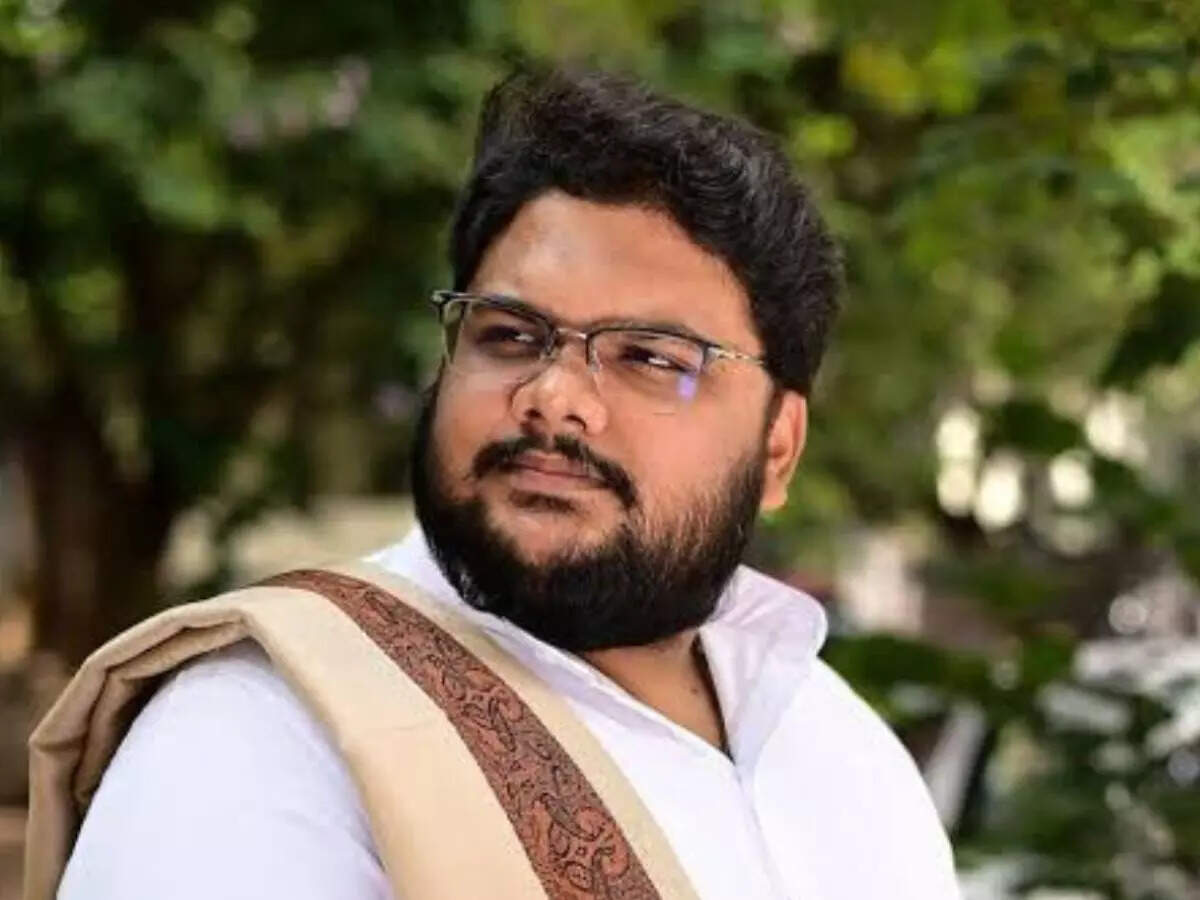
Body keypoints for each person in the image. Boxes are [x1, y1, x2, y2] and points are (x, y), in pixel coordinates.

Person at [33, 67, 960, 899]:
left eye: (648, 357)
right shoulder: (265, 738)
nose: (553, 397)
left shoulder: (839, 752)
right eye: (511, 336)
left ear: (778, 450)